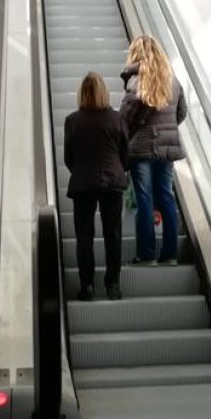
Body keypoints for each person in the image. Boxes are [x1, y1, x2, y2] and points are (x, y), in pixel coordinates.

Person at [120, 35, 187, 266]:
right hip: (167, 150)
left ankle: (146, 255)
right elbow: (182, 112)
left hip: (142, 150)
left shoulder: (136, 81)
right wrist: (167, 128)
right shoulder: (173, 81)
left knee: (145, 199)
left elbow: (125, 119)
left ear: (136, 55)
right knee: (166, 197)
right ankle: (170, 254)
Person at [64, 72, 129, 300]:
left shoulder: (72, 121)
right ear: (104, 92)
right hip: (112, 182)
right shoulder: (117, 119)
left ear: (82, 94)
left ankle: (87, 286)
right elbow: (125, 153)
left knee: (84, 237)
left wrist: (82, 171)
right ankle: (113, 285)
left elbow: (68, 158)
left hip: (83, 184)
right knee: (113, 234)